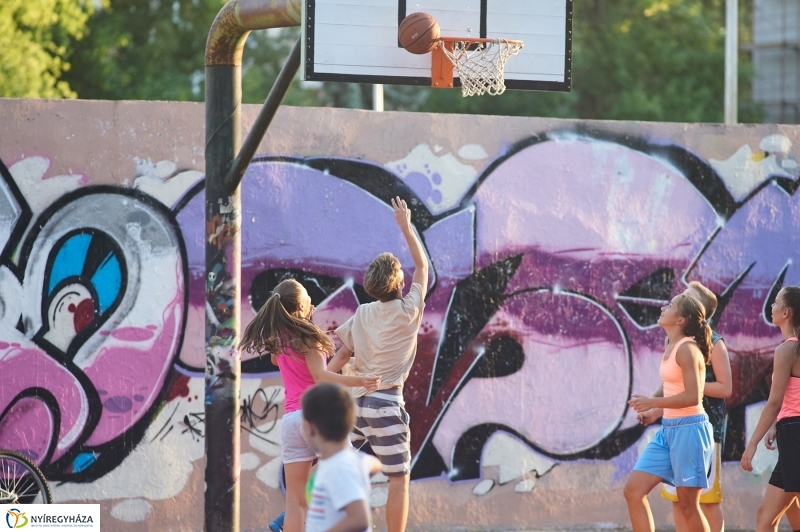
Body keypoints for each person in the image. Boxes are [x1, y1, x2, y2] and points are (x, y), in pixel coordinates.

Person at [239, 279, 381, 532]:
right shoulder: (310, 339)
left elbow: (277, 359)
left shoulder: (280, 341)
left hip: (292, 422)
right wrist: (359, 380)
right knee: (347, 479)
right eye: (307, 299)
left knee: (295, 502)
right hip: (317, 419)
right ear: (302, 306)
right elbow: (321, 377)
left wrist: (298, 321)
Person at [331, 196, 429, 532]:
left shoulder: (362, 313)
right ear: (400, 284)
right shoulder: (409, 310)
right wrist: (405, 225)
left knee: (336, 471)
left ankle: (293, 521)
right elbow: (424, 266)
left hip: (356, 405)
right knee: (398, 480)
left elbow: (342, 355)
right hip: (387, 405)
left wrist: (320, 380)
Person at [625, 293, 715, 532]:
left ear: (681, 320)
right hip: (668, 431)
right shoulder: (670, 345)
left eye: (671, 305)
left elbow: (693, 396)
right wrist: (654, 410)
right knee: (633, 491)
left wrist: (652, 402)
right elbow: (670, 384)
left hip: (691, 431)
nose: (664, 307)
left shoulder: (688, 350)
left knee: (688, 505)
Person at [656, 282, 732, 532]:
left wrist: (694, 386)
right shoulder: (675, 342)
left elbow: (725, 388)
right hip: (675, 429)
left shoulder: (715, 342)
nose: (677, 301)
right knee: (679, 500)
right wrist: (653, 407)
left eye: (686, 298)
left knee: (707, 501)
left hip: (704, 431)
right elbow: (669, 385)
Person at [741, 286, 800, 532]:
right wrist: (777, 425)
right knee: (766, 518)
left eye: (775, 303)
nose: (772, 307)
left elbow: (773, 402)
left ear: (785, 312)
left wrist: (752, 443)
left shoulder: (787, 349)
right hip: (790, 431)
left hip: (795, 434)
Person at [302, 383, 382, 532]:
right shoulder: (344, 462)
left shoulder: (340, 466)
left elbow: (359, 518)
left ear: (309, 428)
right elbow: (375, 464)